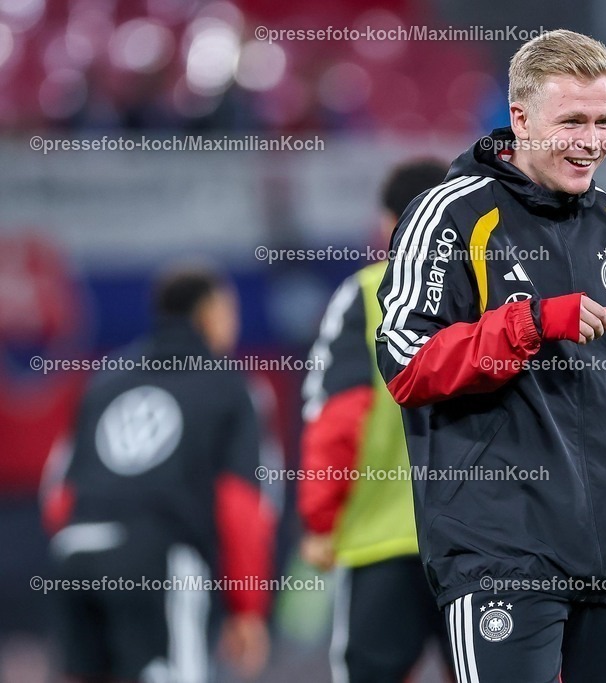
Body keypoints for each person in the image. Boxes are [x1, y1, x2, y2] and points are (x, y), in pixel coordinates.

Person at [374, 30, 606, 683]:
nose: (591, 139)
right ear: (520, 119)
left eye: (603, 121)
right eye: (571, 119)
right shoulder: (452, 216)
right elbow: (408, 360)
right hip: (499, 555)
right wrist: (533, 322)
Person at [40, 265, 278, 682]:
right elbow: (240, 504)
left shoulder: (105, 381)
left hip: (75, 555)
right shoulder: (231, 387)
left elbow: (59, 494)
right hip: (159, 563)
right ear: (210, 314)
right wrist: (247, 609)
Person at [298, 159, 455, 683]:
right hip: (481, 546)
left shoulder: (367, 295)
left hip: (381, 543)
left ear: (388, 222)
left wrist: (321, 518)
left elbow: (338, 419)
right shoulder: (495, 297)